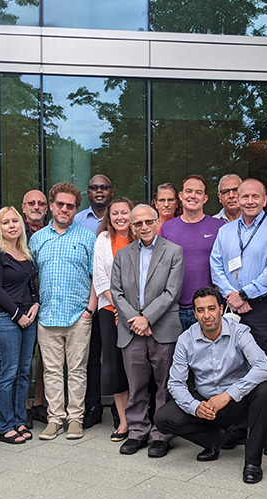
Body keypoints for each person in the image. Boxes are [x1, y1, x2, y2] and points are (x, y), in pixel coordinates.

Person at [155, 287, 267, 484]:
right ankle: (215, 439)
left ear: (221, 309)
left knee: (266, 391)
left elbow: (264, 367)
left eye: (211, 308)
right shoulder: (186, 340)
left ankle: (252, 463)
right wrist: (195, 407)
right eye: (200, 310)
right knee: (163, 418)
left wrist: (228, 395)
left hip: (237, 401)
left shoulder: (239, 332)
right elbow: (176, 383)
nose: (206, 315)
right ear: (194, 314)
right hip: (207, 402)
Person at [209, 178, 267, 456]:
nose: (250, 201)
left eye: (256, 196)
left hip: (263, 307)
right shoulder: (226, 231)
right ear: (237, 200)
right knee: (234, 367)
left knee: (265, 368)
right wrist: (233, 295)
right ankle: (237, 426)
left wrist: (245, 294)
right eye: (245, 196)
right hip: (231, 306)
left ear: (265, 199)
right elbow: (216, 265)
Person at [111, 204, 185, 457]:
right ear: (132, 227)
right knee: (137, 384)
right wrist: (135, 319)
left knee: (164, 384)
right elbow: (116, 292)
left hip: (162, 327)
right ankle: (137, 432)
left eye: (148, 222)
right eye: (138, 223)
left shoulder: (174, 252)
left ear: (157, 222)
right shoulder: (122, 255)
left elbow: (171, 292)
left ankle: (162, 434)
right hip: (131, 329)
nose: (144, 227)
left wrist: (148, 319)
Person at [30, 182, 97, 440]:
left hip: (78, 315)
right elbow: (32, 277)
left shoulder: (87, 237)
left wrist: (89, 310)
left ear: (75, 209)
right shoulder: (38, 239)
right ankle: (54, 418)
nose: (65, 209)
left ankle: (75, 419)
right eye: (60, 204)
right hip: (48, 317)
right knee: (52, 370)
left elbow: (96, 277)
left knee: (77, 370)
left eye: (70, 205)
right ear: (51, 205)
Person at [0, 207, 40, 444]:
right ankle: (2, 426)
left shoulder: (25, 252)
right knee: (7, 372)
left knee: (23, 371)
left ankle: (18, 420)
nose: (11, 226)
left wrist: (36, 304)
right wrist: (18, 314)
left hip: (29, 317)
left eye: (15, 221)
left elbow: (31, 284)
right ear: (0, 227)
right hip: (4, 318)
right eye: (6, 222)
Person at [92, 198, 135, 441]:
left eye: (124, 212)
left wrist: (129, 309)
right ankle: (123, 421)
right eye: (115, 213)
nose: (120, 217)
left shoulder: (139, 238)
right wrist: (120, 305)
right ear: (109, 217)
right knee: (114, 365)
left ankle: (140, 416)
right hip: (109, 311)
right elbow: (99, 277)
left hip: (137, 312)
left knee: (137, 365)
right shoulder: (103, 240)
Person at [158, 175, 225, 329]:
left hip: (207, 310)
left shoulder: (219, 227)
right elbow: (160, 268)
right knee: (175, 353)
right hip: (174, 308)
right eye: (189, 191)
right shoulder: (168, 228)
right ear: (181, 196)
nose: (193, 196)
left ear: (205, 198)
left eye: (198, 192)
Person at [75, 175, 114, 429]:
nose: (99, 191)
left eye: (104, 187)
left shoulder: (121, 217)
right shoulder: (78, 220)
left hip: (116, 303)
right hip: (90, 302)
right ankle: (92, 406)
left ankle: (123, 408)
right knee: (90, 358)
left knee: (115, 356)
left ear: (111, 192)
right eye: (94, 187)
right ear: (88, 192)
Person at [20, 189, 49, 424]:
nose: (36, 207)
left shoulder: (53, 231)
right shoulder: (15, 231)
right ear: (23, 207)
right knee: (26, 356)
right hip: (24, 304)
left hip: (49, 302)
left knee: (46, 358)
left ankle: (40, 402)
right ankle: (25, 405)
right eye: (32, 203)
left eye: (41, 204)